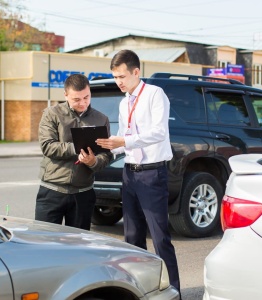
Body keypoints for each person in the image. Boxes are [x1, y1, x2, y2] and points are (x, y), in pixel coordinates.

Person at [96, 49, 181, 293]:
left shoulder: (155, 94)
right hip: (130, 174)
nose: (118, 82)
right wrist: (104, 151)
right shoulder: (124, 103)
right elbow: (123, 139)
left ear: (136, 72)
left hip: (152, 173)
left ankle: (174, 291)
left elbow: (158, 133)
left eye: (122, 76)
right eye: (115, 77)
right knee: (131, 238)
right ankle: (138, 292)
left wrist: (123, 142)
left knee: (160, 238)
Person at [35, 73, 112, 230]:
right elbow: (48, 146)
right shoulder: (51, 114)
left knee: (78, 246)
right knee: (44, 242)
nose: (83, 103)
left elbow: (106, 154)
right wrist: (77, 147)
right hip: (52, 191)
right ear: (65, 95)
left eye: (87, 97)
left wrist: (94, 162)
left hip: (83, 194)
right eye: (77, 99)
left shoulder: (101, 119)